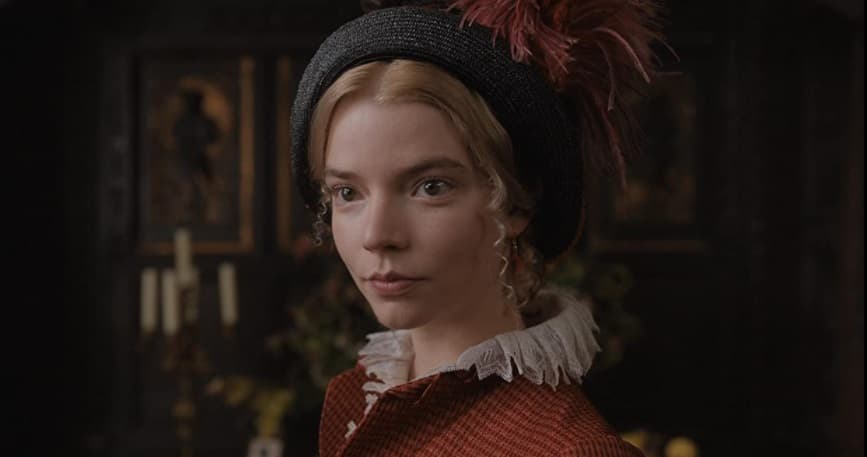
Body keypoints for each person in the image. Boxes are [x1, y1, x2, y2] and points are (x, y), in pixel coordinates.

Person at [289, 1, 665, 455]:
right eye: (348, 192)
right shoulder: (358, 400)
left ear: (517, 204)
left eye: (431, 187)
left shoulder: (569, 449)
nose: (377, 236)